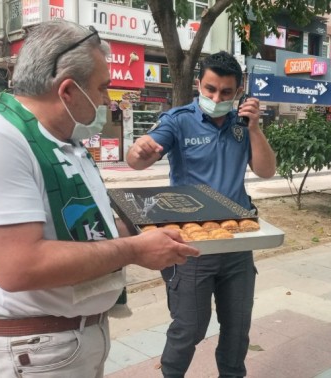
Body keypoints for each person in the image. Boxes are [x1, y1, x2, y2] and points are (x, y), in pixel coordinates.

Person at [0, 19, 199, 378]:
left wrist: (157, 224)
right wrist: (136, 250)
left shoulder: (66, 147)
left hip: (70, 342)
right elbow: (19, 265)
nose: (108, 100)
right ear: (67, 91)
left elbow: (89, 229)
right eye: (103, 88)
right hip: (34, 352)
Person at [126, 51, 276, 377]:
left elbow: (266, 171)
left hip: (236, 243)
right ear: (199, 84)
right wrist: (139, 151)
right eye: (209, 89)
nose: (216, 97)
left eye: (225, 92)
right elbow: (140, 158)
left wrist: (254, 129)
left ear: (239, 91)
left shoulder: (242, 125)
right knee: (189, 328)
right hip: (191, 245)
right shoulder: (179, 120)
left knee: (237, 329)